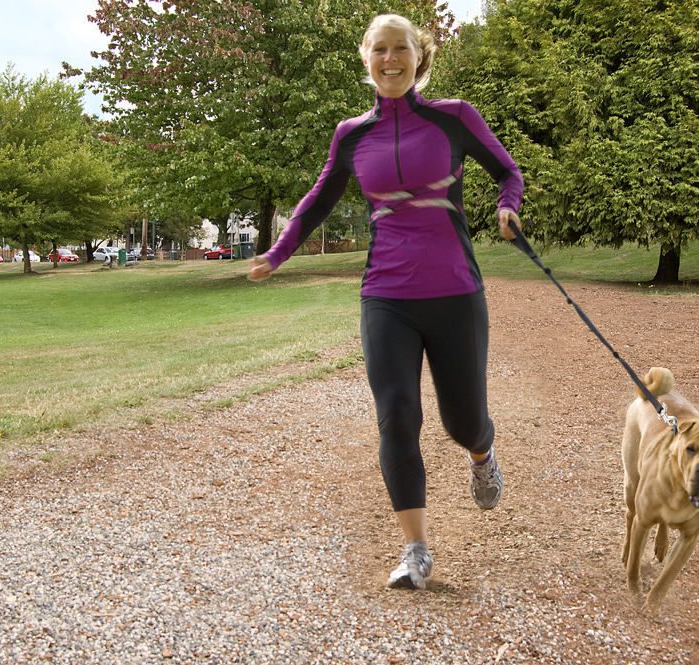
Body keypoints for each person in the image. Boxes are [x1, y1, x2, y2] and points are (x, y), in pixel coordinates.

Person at [248, 14, 523, 590]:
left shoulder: (453, 118)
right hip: (386, 298)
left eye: (402, 48)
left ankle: (482, 452)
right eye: (380, 49)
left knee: (463, 422)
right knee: (397, 415)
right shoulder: (351, 135)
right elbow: (316, 201)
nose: (391, 58)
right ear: (365, 57)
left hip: (455, 292)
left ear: (417, 58)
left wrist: (507, 203)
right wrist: (276, 255)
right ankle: (416, 548)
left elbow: (507, 170)